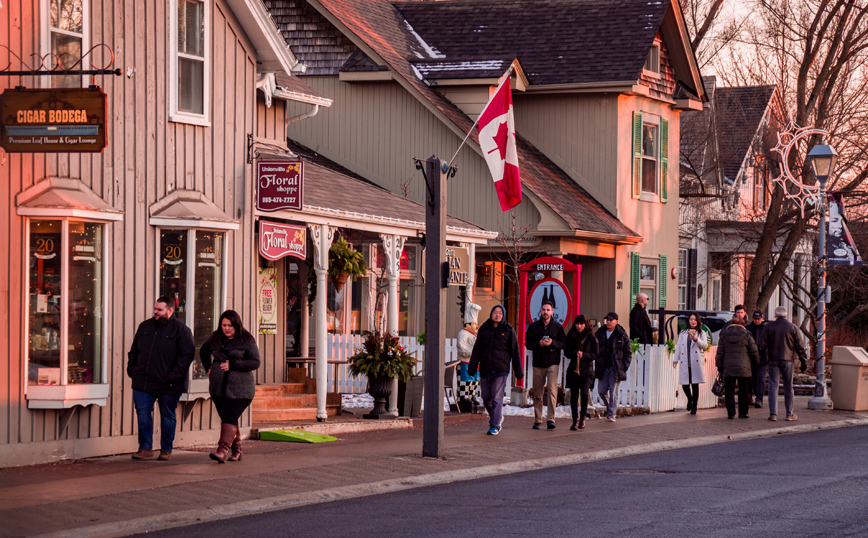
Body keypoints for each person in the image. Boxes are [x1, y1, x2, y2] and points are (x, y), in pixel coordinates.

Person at [127, 297, 195, 460]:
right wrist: (133, 370)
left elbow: (186, 356)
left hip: (169, 383)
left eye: (160, 310)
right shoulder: (145, 326)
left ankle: (166, 449)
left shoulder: (181, 330)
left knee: (167, 415)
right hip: (143, 380)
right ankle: (145, 448)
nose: (155, 312)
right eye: (155, 309)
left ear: (170, 310)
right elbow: (134, 350)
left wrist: (173, 376)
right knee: (143, 414)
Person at [200, 310, 261, 463]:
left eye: (230, 325)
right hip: (218, 388)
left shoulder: (246, 339)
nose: (227, 328)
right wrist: (208, 367)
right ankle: (237, 450)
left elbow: (255, 362)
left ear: (236, 325)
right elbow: (203, 351)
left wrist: (233, 364)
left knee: (229, 415)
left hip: (241, 390)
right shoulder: (215, 337)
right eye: (224, 325)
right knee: (229, 418)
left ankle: (222, 450)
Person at [468, 305, 523, 435]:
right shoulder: (484, 329)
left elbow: (515, 352)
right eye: (495, 312)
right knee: (486, 397)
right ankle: (497, 417)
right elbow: (477, 350)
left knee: (496, 398)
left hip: (500, 369)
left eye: (500, 313)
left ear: (503, 315)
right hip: (485, 368)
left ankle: (494, 425)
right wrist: (472, 367)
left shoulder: (509, 330)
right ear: (491, 314)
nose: (497, 315)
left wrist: (518, 372)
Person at [758, 306, 808, 421]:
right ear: (786, 315)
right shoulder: (793, 327)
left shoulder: (768, 327)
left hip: (773, 359)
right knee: (788, 386)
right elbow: (799, 346)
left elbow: (762, 345)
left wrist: (757, 356)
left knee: (773, 385)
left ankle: (773, 413)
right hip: (788, 359)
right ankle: (789, 413)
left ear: (775, 315)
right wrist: (803, 361)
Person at [525, 301, 566, 430]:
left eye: (548, 310)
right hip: (538, 363)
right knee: (538, 392)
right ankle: (538, 420)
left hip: (553, 362)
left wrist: (552, 343)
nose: (545, 312)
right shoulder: (534, 327)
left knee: (552, 392)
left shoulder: (558, 327)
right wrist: (539, 343)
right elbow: (528, 343)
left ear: (552, 312)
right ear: (540, 311)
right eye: (543, 309)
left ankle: (551, 419)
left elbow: (563, 344)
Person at [715, 316, 759, 419]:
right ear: (742, 325)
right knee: (743, 390)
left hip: (728, 367)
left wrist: (719, 366)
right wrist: (756, 363)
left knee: (729, 390)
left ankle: (731, 413)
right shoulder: (747, 335)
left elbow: (720, 352)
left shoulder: (724, 335)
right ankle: (743, 412)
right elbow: (754, 351)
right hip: (744, 367)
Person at [594, 312, 632, 422]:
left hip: (615, 368)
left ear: (616, 321)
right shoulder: (600, 333)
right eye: (607, 320)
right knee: (601, 391)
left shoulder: (622, 335)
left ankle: (611, 414)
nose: (608, 322)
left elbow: (628, 353)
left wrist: (623, 366)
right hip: (603, 367)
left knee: (613, 392)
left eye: (611, 320)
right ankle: (609, 407)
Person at [564, 314, 598, 430]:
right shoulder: (571, 335)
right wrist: (575, 353)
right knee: (574, 395)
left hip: (587, 370)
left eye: (582, 324)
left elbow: (596, 354)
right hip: (574, 369)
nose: (579, 326)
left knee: (584, 393)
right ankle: (574, 419)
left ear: (586, 324)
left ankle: (583, 417)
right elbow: (566, 352)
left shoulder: (591, 337)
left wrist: (584, 355)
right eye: (577, 324)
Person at [673, 313, 709, 414]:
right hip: (686, 361)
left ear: (698, 321)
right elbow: (679, 346)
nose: (693, 321)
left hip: (695, 362)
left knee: (694, 385)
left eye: (695, 320)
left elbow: (705, 345)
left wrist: (696, 339)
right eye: (691, 319)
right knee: (685, 384)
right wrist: (675, 359)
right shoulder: (684, 333)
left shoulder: (701, 333)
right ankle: (690, 399)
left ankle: (694, 407)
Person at [456, 302, 482, 412]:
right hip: (465, 361)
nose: (476, 326)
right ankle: (463, 396)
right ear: (468, 324)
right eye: (474, 324)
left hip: (474, 362)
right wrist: (468, 353)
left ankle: (471, 395)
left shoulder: (475, 336)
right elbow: (461, 346)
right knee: (465, 380)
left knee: (474, 380)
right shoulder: (463, 333)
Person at [746, 311, 768, 408]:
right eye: (755, 319)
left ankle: (759, 399)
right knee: (752, 379)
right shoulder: (748, 329)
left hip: (763, 358)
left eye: (758, 319)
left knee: (761, 379)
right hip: (751, 358)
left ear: (762, 318)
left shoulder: (766, 329)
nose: (757, 320)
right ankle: (751, 396)